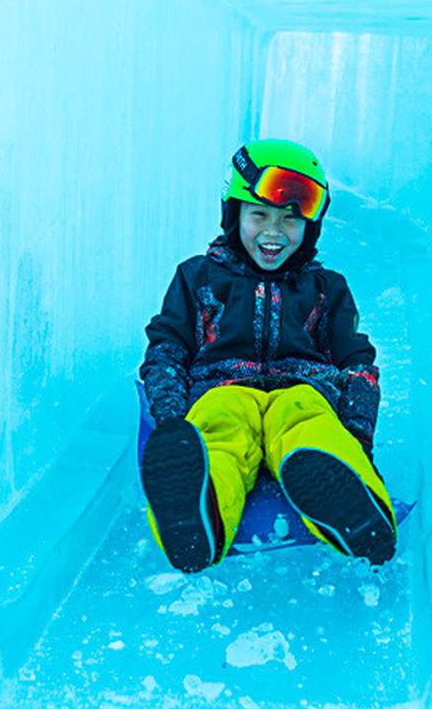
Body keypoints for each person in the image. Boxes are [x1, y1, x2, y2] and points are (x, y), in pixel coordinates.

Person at [138, 139, 396, 574]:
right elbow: (167, 349)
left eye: (290, 219)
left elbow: (356, 363)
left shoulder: (326, 288)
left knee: (311, 427)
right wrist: (171, 421)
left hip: (303, 388)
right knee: (219, 434)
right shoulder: (197, 277)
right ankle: (197, 518)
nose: (274, 232)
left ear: (310, 227)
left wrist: (357, 436)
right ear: (233, 213)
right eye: (259, 215)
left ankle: (357, 510)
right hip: (222, 389)